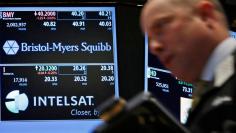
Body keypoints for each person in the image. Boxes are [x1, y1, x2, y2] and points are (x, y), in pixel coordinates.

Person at [141, 0, 236, 133]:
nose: (154, 47)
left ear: (206, 16)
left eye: (161, 27)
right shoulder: (208, 96)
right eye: (150, 38)